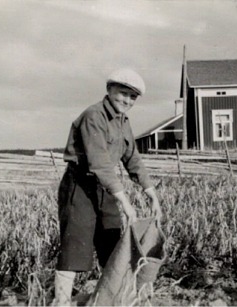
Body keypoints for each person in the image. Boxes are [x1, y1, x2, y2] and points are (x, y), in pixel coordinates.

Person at [53, 68, 162, 305]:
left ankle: (111, 300)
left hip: (105, 189)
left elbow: (132, 158)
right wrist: (126, 203)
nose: (127, 100)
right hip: (80, 187)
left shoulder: (123, 122)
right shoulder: (93, 116)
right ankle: (60, 303)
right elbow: (100, 164)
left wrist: (151, 194)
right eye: (123, 93)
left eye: (133, 97)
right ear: (109, 90)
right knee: (74, 247)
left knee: (113, 248)